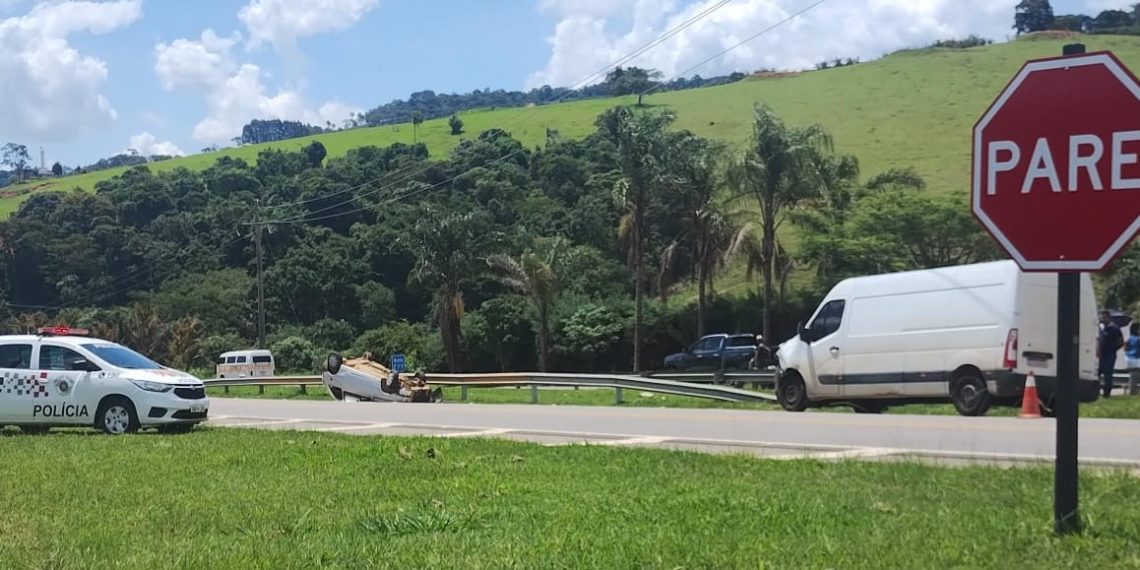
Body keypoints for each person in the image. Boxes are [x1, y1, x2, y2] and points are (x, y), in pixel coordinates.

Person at [1097, 310, 1124, 398]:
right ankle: (1096, 392)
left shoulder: (1115, 329)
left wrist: (1113, 349)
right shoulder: (1101, 328)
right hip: (1100, 354)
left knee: (1108, 374)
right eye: (1101, 317)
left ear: (1108, 317)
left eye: (1104, 317)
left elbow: (1120, 342)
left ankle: (1106, 393)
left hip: (1110, 354)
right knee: (1097, 373)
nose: (1102, 319)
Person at [1127, 322, 1140, 396]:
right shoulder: (1138, 339)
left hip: (1130, 359)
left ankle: (1132, 393)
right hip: (1137, 360)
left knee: (1133, 378)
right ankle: (1133, 393)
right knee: (1135, 378)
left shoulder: (1130, 338)